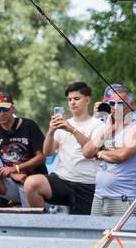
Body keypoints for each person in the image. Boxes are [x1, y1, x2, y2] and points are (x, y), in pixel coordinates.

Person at [24, 82, 101, 214]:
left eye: (77, 99)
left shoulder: (97, 125)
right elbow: (47, 153)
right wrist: (51, 131)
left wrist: (72, 130)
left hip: (87, 183)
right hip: (62, 180)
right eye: (69, 100)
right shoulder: (63, 124)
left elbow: (91, 150)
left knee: (83, 229)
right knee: (31, 183)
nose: (72, 103)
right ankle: (41, 224)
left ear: (87, 99)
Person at [85, 84, 136, 217]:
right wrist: (105, 132)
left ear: (132, 105)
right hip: (99, 197)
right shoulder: (106, 126)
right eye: (111, 103)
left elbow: (122, 155)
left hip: (125, 199)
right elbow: (87, 152)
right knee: (96, 237)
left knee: (125, 238)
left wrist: (100, 153)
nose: (115, 107)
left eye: (120, 103)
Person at [0, 94, 45, 208]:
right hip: (12, 180)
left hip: (33, 180)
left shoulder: (29, 125)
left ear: (13, 109)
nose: (1, 113)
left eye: (5, 109)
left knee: (33, 220)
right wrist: (12, 174)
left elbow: (41, 157)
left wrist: (16, 168)